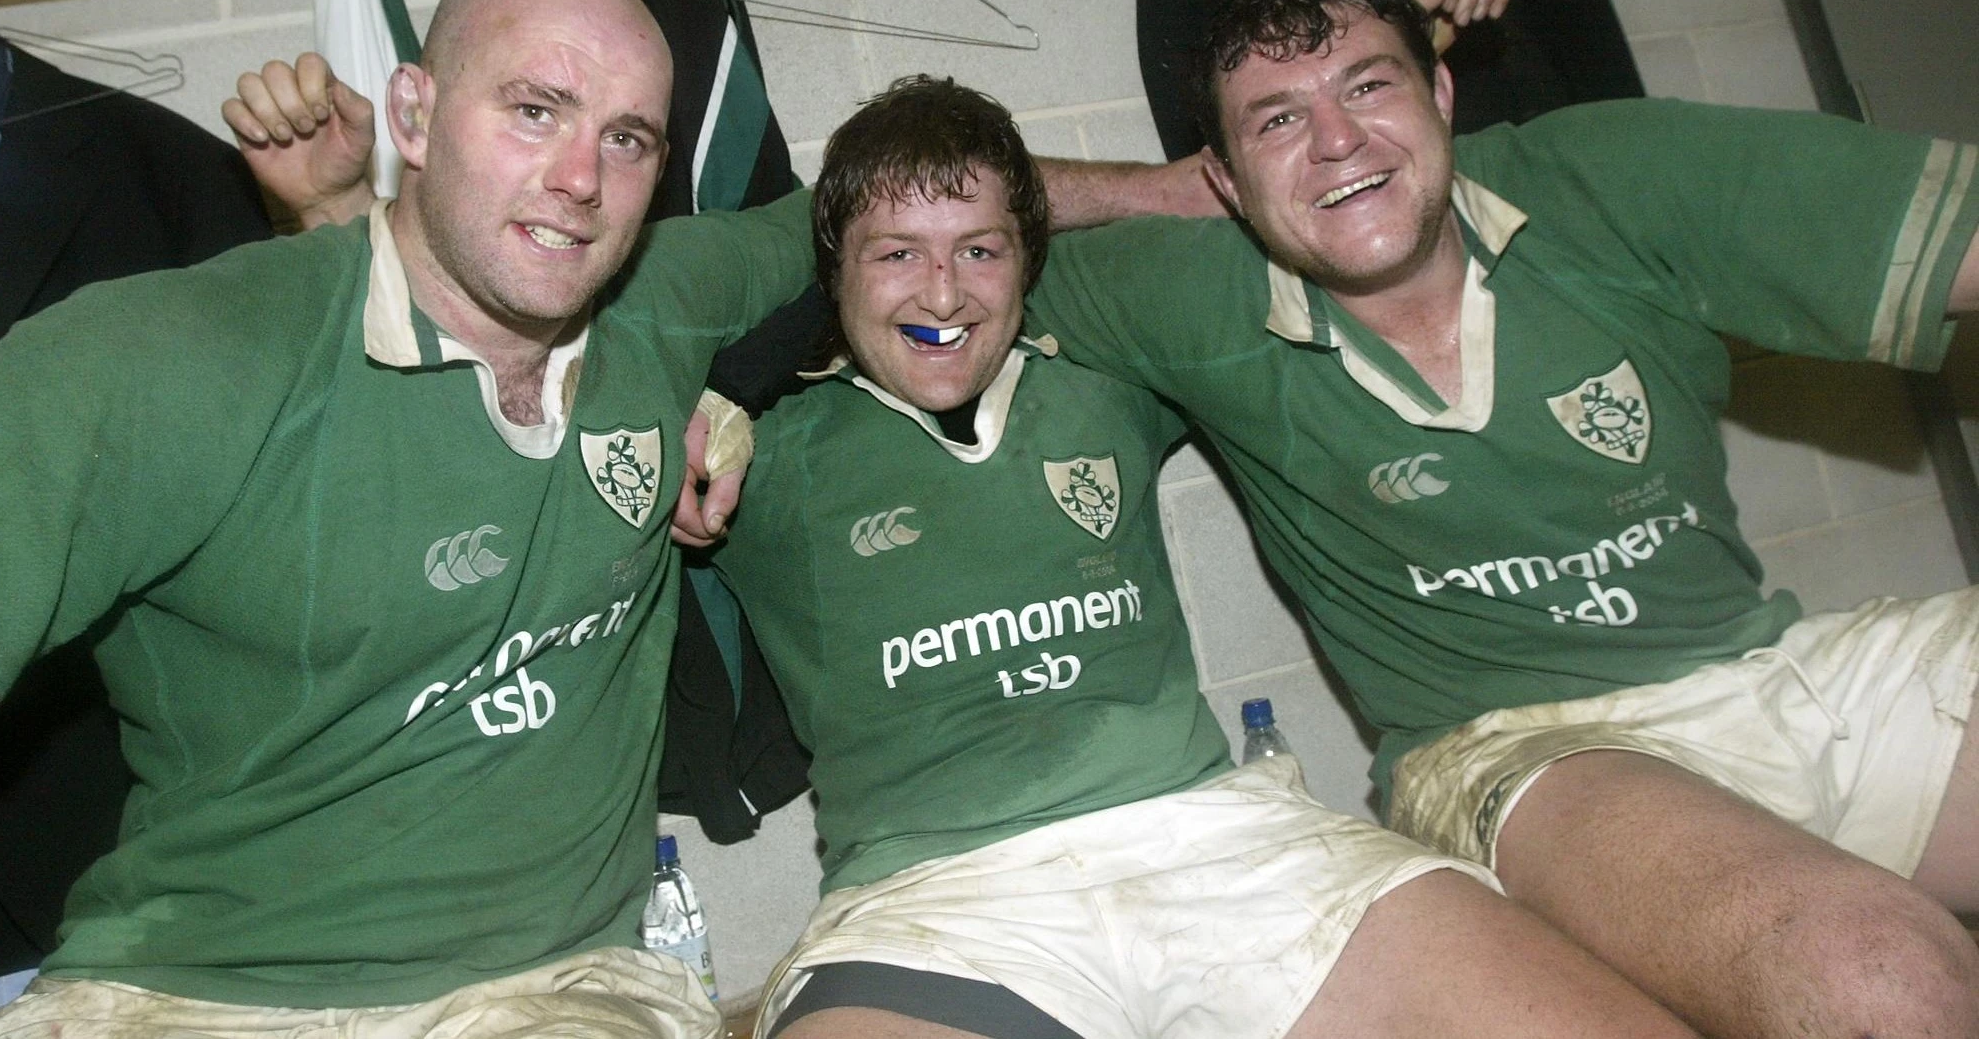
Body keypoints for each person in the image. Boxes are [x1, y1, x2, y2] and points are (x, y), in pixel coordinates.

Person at [0, 0, 823, 1038]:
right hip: (184, 996)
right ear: (414, 116)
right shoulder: (167, 356)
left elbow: (881, 207)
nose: (582, 176)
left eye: (627, 138)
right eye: (534, 110)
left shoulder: (657, 305)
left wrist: (732, 390)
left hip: (554, 986)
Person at [1017, 0, 1979, 1037]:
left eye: (1368, 85)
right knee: (1874, 977)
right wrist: (1155, 190)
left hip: (1778, 665)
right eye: (1277, 119)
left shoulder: (1601, 176)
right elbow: (919, 228)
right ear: (1227, 183)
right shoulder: (1185, 290)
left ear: (1439, 96)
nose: (1335, 139)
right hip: (1519, 753)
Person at [703, 74, 1693, 1039]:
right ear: (832, 268)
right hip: (935, 906)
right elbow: (647, 302)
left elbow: (1277, 230)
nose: (942, 292)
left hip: (1220, 840)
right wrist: (746, 374)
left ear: (1027, 257)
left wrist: (1160, 188)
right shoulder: (757, 442)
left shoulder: (1104, 370)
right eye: (894, 255)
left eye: (980, 248)